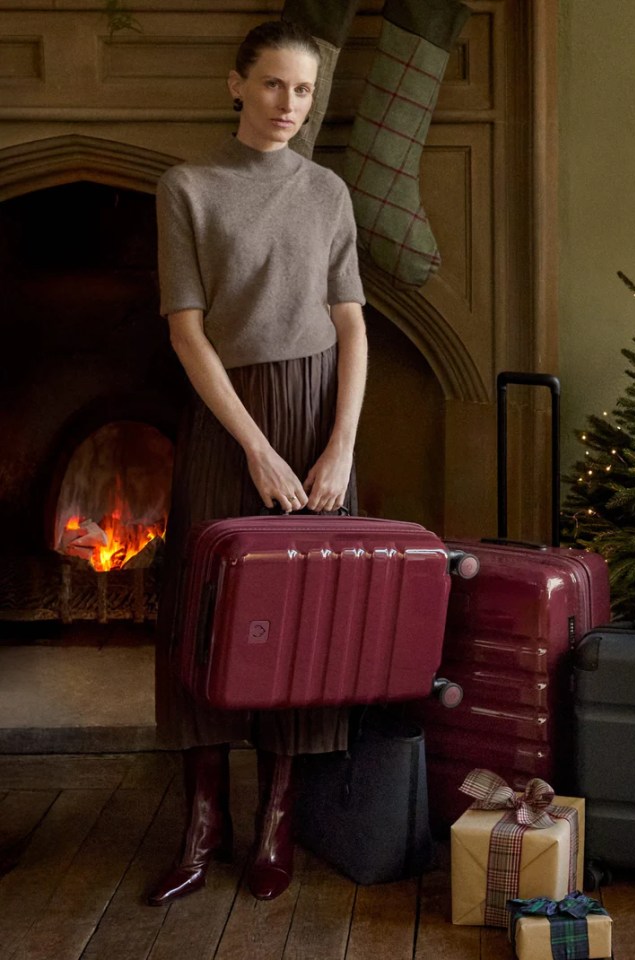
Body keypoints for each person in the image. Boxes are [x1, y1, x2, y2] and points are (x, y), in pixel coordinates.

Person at [148, 19, 367, 906]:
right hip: (227, 417)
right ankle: (204, 824)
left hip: (320, 414)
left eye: (305, 90)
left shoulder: (330, 192)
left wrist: (340, 445)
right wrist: (253, 446)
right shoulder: (187, 188)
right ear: (236, 84)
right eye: (273, 85)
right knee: (204, 610)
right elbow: (185, 328)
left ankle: (279, 819)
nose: (289, 105)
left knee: (306, 616)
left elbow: (351, 322)